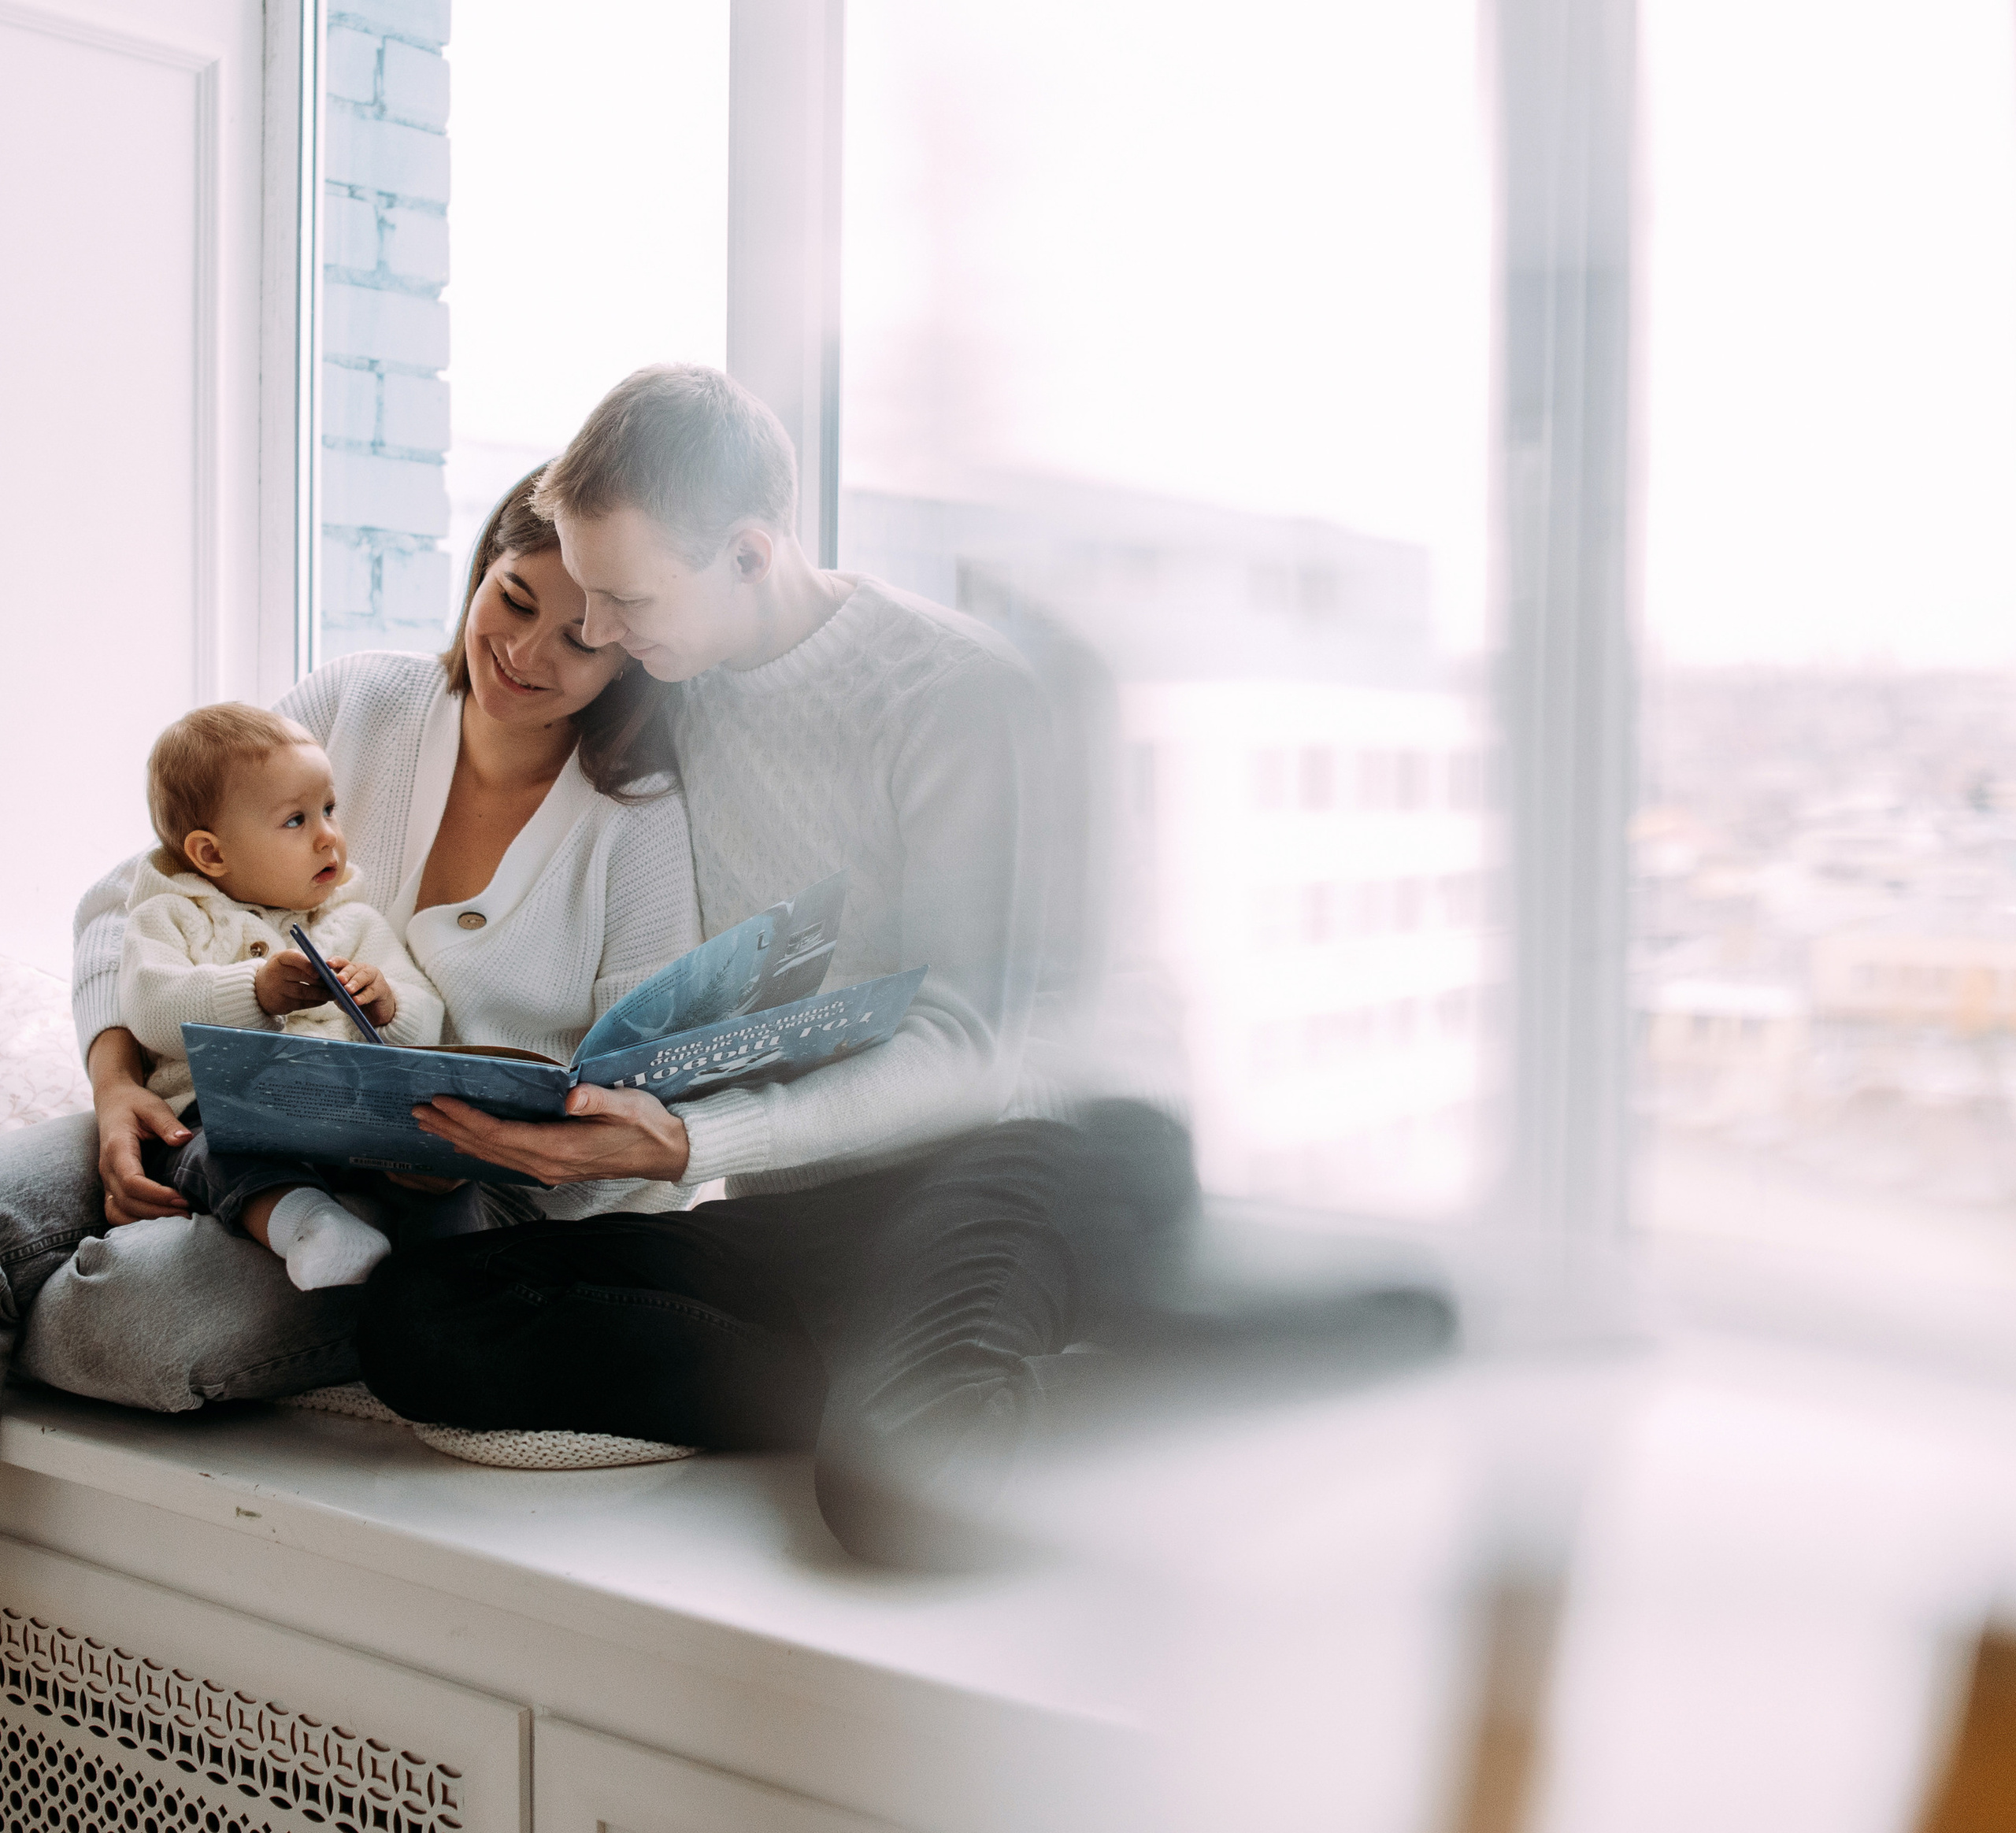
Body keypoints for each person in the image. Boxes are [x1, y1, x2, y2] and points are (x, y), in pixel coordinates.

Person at [358, 364, 1386, 1569]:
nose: (602, 635)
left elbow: (970, 1051)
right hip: (831, 1197)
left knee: (904, 1491)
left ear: (749, 554)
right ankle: (903, 1370)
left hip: (1037, 1145)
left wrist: (690, 1144)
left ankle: (1225, 1362)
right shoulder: (677, 687)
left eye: (625, 601)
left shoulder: (957, 694)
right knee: (420, 1318)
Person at [0, 469, 702, 1413]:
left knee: (126, 1321)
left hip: (467, 1208)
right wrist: (116, 1083)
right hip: (212, 1112)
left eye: (578, 639)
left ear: (629, 653)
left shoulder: (639, 823)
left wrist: (475, 1152)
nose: (523, 652)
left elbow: (643, 1101)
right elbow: (132, 898)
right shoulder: (358, 701)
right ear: (480, 572)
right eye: (512, 598)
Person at [120, 702, 443, 1289]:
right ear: (212, 853)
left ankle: (455, 1274)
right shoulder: (169, 916)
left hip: (346, 1115)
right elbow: (149, 1008)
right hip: (221, 1115)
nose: (328, 836)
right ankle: (311, 1227)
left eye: (329, 809)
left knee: (439, 1160)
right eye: (296, 820)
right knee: (213, 1153)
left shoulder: (355, 922)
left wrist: (388, 1005)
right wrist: (256, 991)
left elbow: (429, 1017)